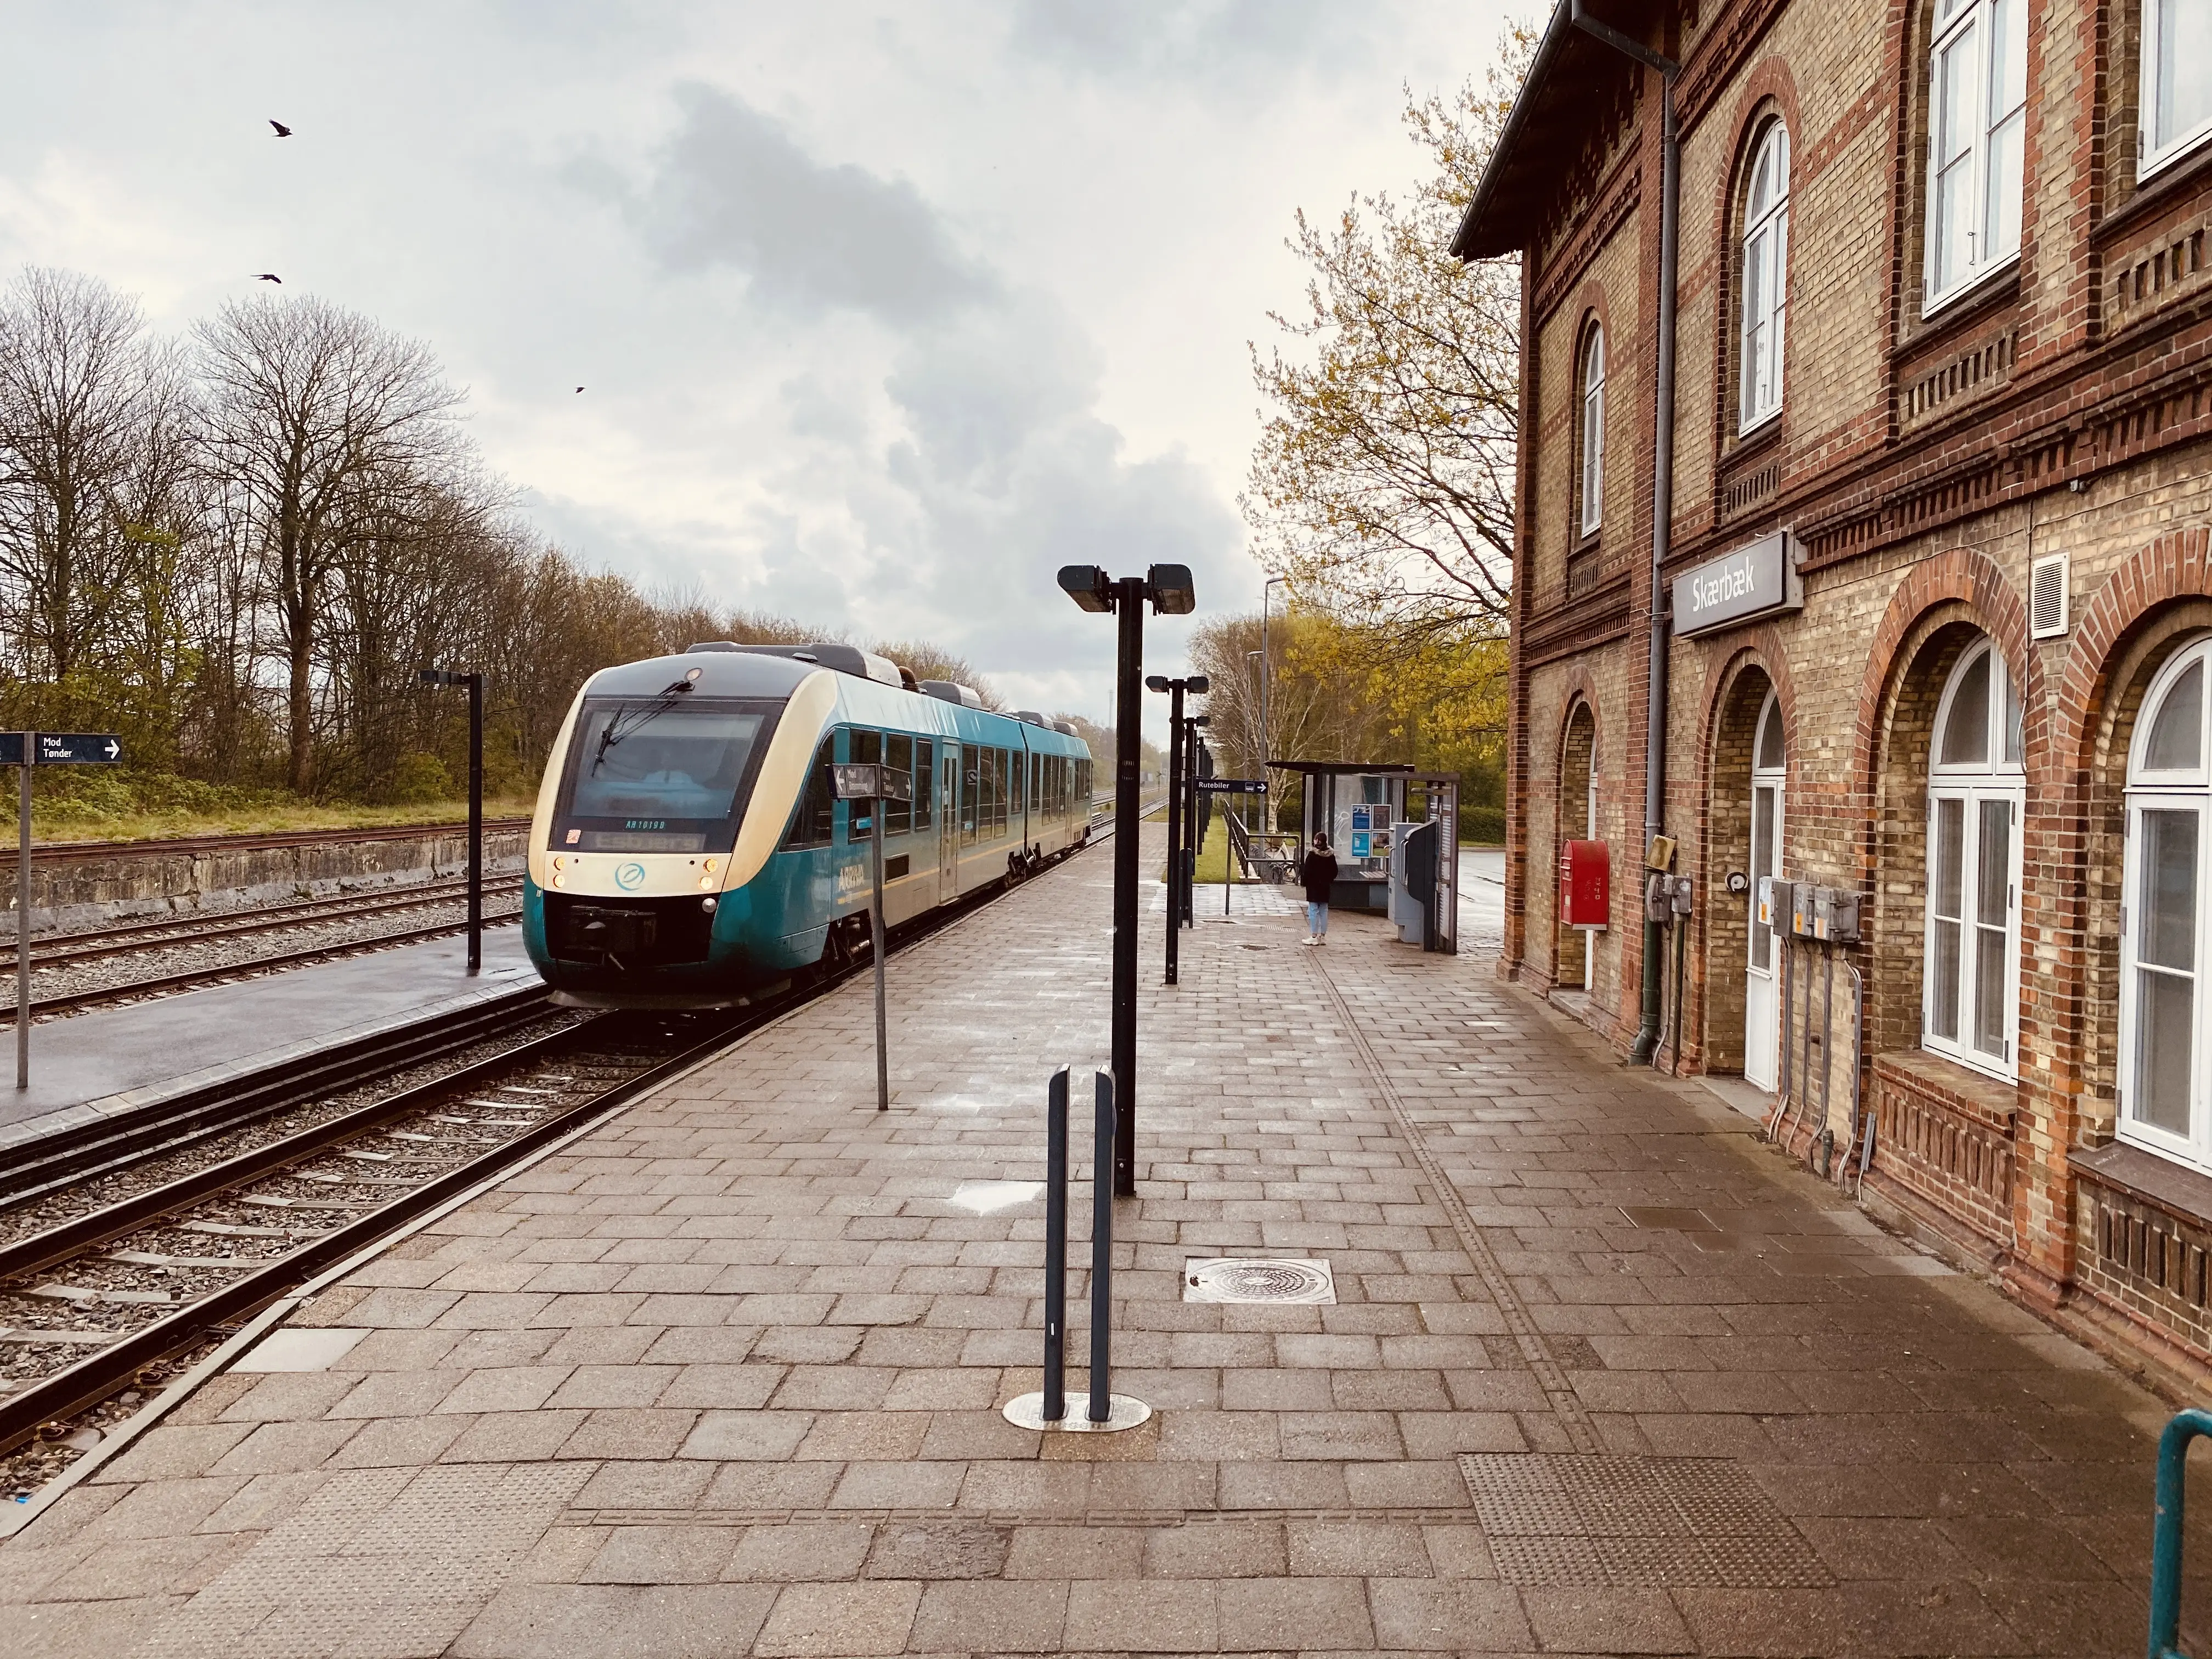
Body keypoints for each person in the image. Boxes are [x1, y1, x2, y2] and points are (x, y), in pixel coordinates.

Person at [1300, 832, 1339, 946]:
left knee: (1313, 910)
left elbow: (1307, 871)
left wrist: (1306, 883)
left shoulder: (1312, 854)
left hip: (1313, 887)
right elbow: (1335, 871)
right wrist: (1328, 880)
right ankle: (1322, 937)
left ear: (1317, 840)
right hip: (1325, 887)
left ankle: (1314, 936)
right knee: (1324, 911)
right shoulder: (1330, 855)